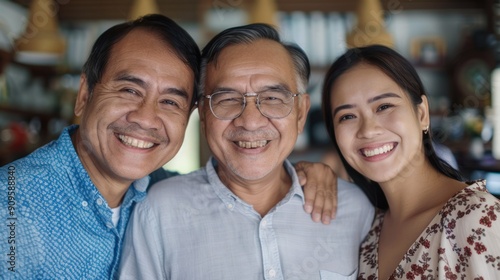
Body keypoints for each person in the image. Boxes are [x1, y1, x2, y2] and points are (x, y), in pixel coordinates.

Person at [0, 15, 337, 279]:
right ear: (85, 94)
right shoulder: (11, 206)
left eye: (170, 102)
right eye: (130, 90)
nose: (146, 118)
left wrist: (304, 173)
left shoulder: (158, 189)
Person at [118, 23, 374, 280]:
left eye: (272, 98)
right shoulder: (159, 213)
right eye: (228, 99)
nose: (250, 121)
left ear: (301, 113)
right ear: (203, 114)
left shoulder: (355, 209)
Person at [321, 44, 500, 279]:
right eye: (347, 116)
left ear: (422, 113)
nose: (368, 130)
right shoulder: (368, 227)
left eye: (384, 106)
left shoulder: (475, 218)